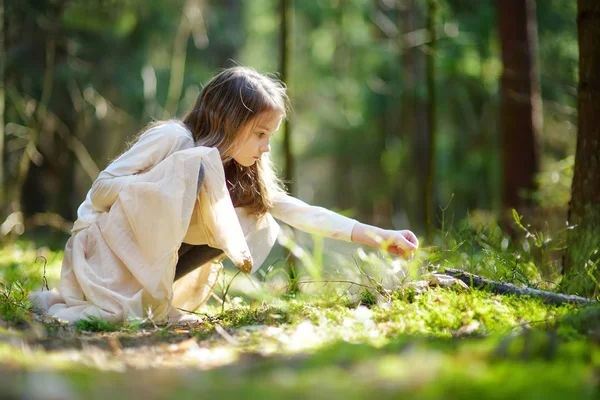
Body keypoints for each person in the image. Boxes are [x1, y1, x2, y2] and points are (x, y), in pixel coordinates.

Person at [29, 66, 418, 324]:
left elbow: (297, 211)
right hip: (101, 255)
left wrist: (379, 236)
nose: (266, 148)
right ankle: (123, 297)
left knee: (252, 214)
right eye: (260, 134)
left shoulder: (237, 169)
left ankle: (154, 302)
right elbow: (100, 191)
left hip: (149, 263)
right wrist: (167, 185)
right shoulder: (175, 139)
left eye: (271, 137)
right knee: (195, 164)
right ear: (228, 121)